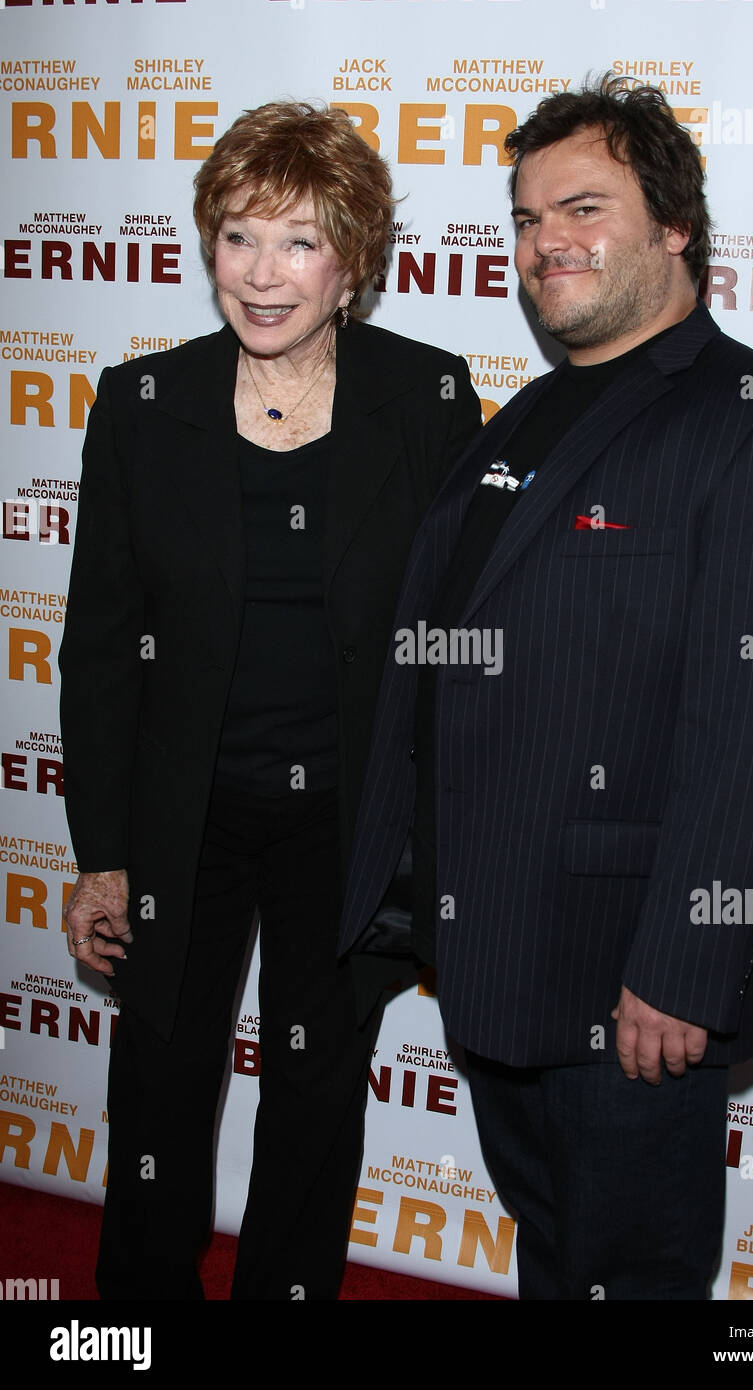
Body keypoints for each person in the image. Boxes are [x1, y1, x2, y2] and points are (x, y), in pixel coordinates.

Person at [338, 75, 753, 1299]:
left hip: (632, 971)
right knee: (558, 1252)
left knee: (632, 1271)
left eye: (582, 207)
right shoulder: (523, 413)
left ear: (673, 224)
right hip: (501, 951)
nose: (545, 243)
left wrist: (684, 960)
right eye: (524, 220)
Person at [58, 99, 481, 1301]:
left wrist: (437, 842)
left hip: (347, 820)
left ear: (353, 260)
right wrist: (103, 854)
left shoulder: (428, 398)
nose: (262, 274)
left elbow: (453, 640)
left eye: (300, 241)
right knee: (158, 1078)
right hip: (184, 815)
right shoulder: (142, 407)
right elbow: (98, 652)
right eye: (239, 235)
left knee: (316, 1087)